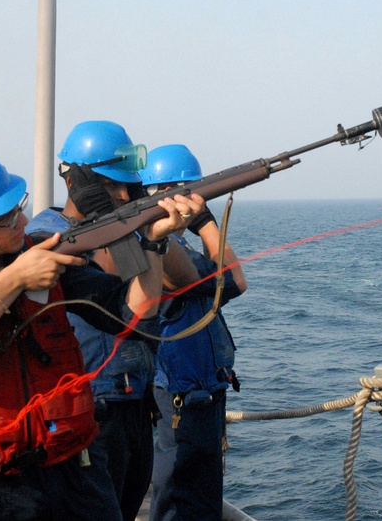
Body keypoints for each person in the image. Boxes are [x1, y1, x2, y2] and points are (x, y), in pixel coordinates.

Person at [0, 139, 203, 521]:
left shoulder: (39, 250)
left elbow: (135, 316)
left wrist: (153, 241)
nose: (22, 223)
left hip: (77, 469)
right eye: (5, 219)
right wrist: (15, 278)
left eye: (16, 210)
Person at [26, 121, 203, 521]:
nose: (123, 194)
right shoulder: (45, 236)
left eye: (131, 186)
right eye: (111, 185)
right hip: (90, 407)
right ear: (77, 182)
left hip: (134, 403)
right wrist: (119, 223)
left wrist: (150, 225)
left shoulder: (125, 226)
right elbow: (114, 286)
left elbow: (188, 280)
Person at [141, 145, 248, 521]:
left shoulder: (174, 246)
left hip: (198, 389)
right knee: (183, 500)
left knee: (196, 498)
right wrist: (205, 222)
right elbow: (235, 280)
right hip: (180, 393)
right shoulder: (164, 250)